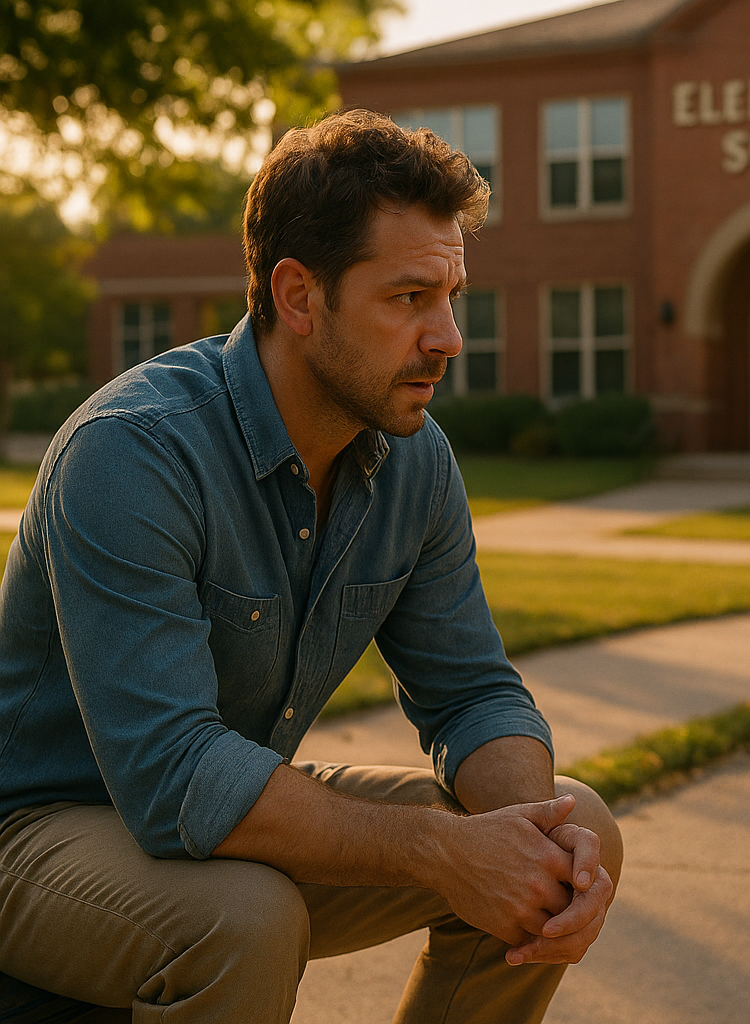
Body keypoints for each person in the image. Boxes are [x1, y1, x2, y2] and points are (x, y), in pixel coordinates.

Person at [0, 108, 621, 1022]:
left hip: (225, 816)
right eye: (410, 299)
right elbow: (174, 772)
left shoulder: (415, 459)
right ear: (299, 297)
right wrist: (441, 852)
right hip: (35, 834)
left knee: (580, 828)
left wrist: (525, 841)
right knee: (243, 919)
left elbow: (473, 694)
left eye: (452, 297)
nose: (450, 337)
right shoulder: (131, 453)